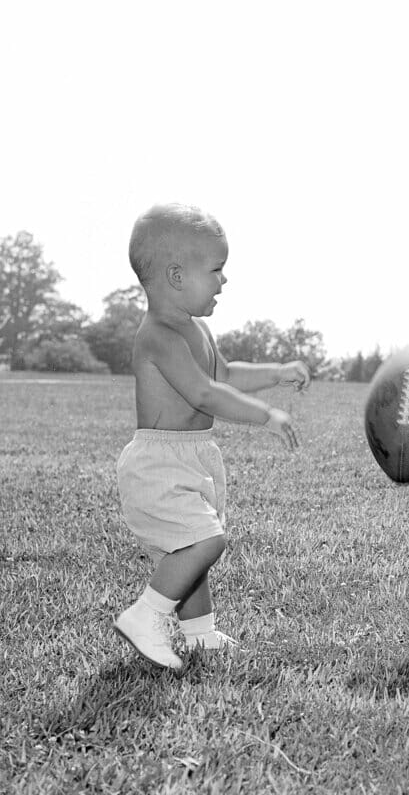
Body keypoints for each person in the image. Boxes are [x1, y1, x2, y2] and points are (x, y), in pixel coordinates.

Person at [114, 203, 310, 671]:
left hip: (189, 457)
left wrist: (276, 373)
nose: (224, 280)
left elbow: (224, 373)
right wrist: (265, 415)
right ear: (177, 276)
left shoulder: (196, 330)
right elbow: (205, 392)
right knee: (205, 540)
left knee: (190, 548)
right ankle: (145, 616)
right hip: (159, 462)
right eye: (217, 269)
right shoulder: (159, 334)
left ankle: (200, 635)